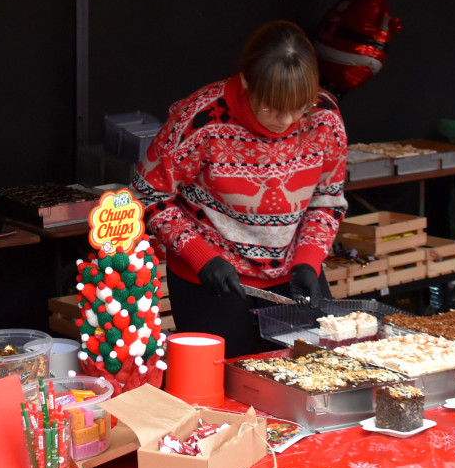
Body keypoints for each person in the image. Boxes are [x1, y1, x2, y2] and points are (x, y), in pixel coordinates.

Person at [131, 20, 348, 358]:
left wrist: (309, 261)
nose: (286, 120)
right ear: (246, 82)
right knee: (223, 382)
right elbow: (148, 196)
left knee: (312, 373)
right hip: (212, 280)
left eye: (298, 107)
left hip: (294, 278)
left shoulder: (324, 117)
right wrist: (202, 257)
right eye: (272, 107)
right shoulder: (202, 118)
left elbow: (327, 200)